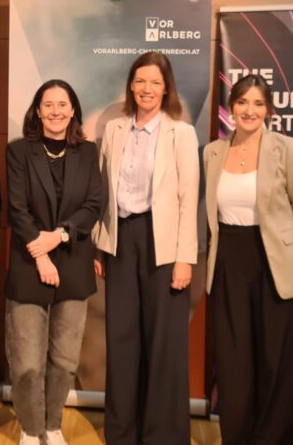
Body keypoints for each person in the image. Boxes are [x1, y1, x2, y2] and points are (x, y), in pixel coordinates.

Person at [204, 74, 293, 444]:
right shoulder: (212, 152)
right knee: (234, 362)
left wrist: (287, 252)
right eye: (242, 102)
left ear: (268, 110)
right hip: (228, 262)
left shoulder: (286, 148)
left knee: (276, 360)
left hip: (276, 266)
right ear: (231, 108)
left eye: (257, 103)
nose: (249, 110)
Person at [94, 51, 199, 445]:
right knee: (121, 340)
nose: (147, 89)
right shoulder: (115, 129)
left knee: (163, 342)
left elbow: (189, 198)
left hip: (164, 245)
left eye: (155, 82)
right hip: (121, 240)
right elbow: (103, 192)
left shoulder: (180, 133)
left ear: (166, 87)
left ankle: (163, 435)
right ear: (131, 86)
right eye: (140, 81)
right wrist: (100, 245)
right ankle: (122, 433)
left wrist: (185, 258)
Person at [5, 80, 105, 445]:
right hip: (29, 263)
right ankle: (31, 429)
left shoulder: (88, 152)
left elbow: (93, 205)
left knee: (64, 358)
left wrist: (60, 236)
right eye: (48, 105)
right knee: (27, 360)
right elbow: (17, 208)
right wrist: (42, 253)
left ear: (73, 109)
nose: (55, 111)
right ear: (37, 110)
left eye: (62, 104)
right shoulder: (19, 151)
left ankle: (52, 424)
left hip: (74, 264)